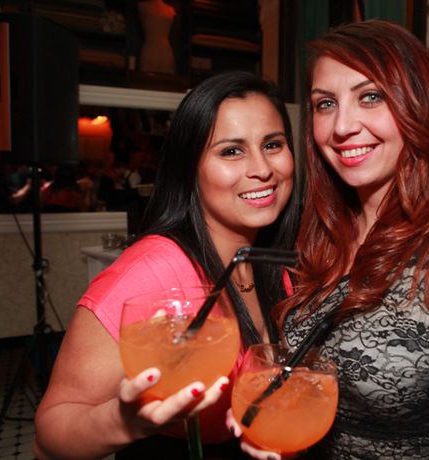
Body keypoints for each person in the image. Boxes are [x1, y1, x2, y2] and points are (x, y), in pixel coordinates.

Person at [230, 20, 429, 459]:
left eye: (370, 96)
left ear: (417, 104)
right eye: (326, 103)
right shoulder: (321, 230)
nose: (342, 126)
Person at [33, 71, 300, 459]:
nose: (262, 168)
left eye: (272, 144)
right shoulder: (150, 273)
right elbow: (48, 437)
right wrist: (125, 422)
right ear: (188, 167)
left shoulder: (275, 260)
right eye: (231, 151)